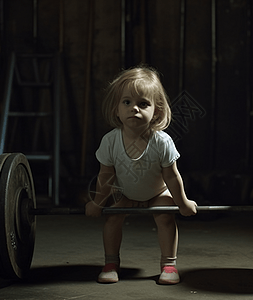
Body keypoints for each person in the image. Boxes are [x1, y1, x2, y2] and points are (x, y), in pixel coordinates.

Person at [85, 65, 198, 285]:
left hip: (157, 193)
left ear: (156, 110)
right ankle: (110, 264)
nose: (134, 109)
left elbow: (172, 177)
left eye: (143, 104)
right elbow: (105, 177)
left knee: (166, 216)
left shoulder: (162, 141)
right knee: (112, 217)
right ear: (116, 109)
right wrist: (98, 203)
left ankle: (169, 265)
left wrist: (182, 203)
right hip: (125, 193)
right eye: (127, 102)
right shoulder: (111, 141)